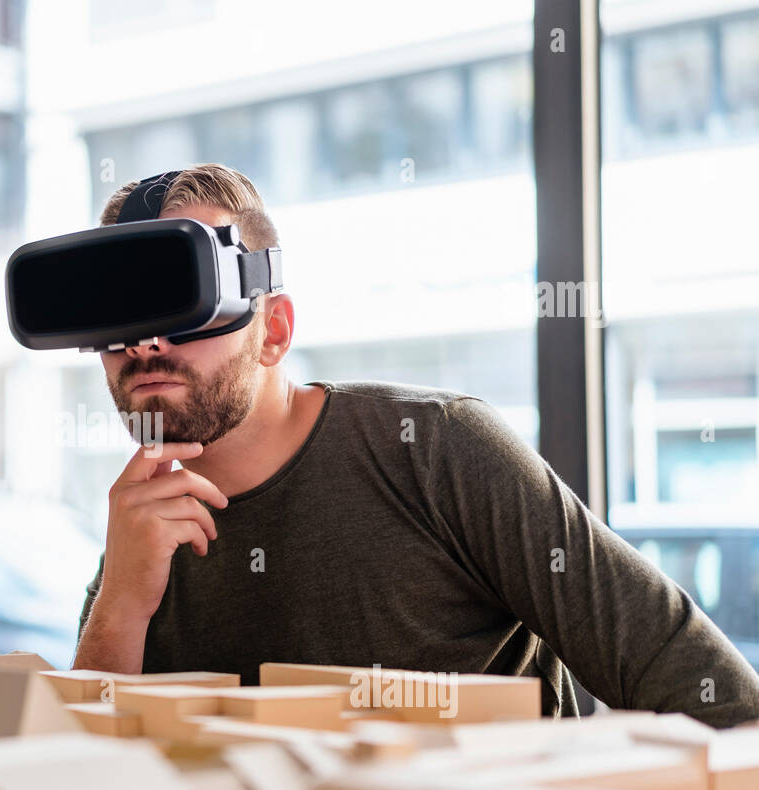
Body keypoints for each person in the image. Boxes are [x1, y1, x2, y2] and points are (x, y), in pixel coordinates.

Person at [73, 162, 759, 729]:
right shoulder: (141, 527)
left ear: (273, 331)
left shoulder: (435, 451)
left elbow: (711, 693)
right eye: (122, 317)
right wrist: (120, 609)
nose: (146, 344)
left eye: (185, 302)